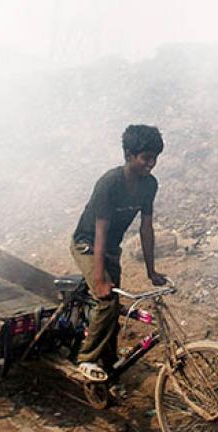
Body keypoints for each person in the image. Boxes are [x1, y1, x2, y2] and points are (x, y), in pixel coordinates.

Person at [71, 124, 168, 382]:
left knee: (112, 308)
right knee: (107, 300)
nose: (152, 163)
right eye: (146, 157)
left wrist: (151, 271)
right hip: (88, 244)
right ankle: (87, 359)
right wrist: (100, 278)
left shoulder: (150, 185)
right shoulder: (109, 183)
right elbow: (100, 232)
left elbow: (146, 228)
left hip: (111, 249)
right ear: (128, 155)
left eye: (155, 157)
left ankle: (107, 363)